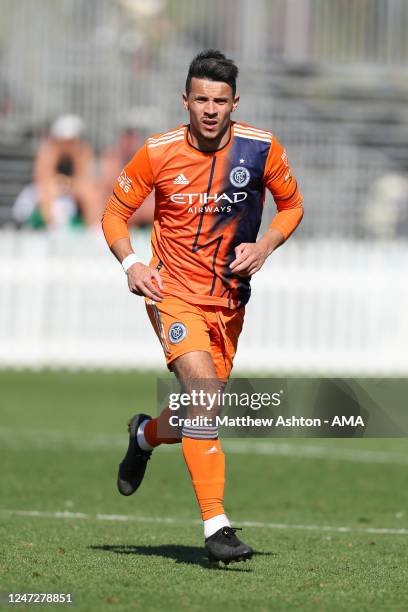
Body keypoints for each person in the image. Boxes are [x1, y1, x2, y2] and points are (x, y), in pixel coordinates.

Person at [102, 50, 303, 565]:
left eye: (220, 100)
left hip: (229, 303)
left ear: (235, 102)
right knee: (206, 393)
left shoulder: (261, 149)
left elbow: (293, 205)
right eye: (200, 99)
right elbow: (115, 213)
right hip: (173, 296)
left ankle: (144, 435)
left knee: (201, 408)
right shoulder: (158, 151)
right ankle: (217, 526)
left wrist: (264, 247)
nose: (210, 109)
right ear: (185, 100)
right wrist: (131, 265)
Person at [13, 115, 101, 229]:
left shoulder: (82, 151)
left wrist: (68, 184)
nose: (69, 144)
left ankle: (95, 228)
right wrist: (61, 184)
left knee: (91, 192)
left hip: (70, 187)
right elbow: (41, 178)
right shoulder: (47, 151)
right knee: (47, 190)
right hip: (48, 187)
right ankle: (52, 226)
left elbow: (85, 177)